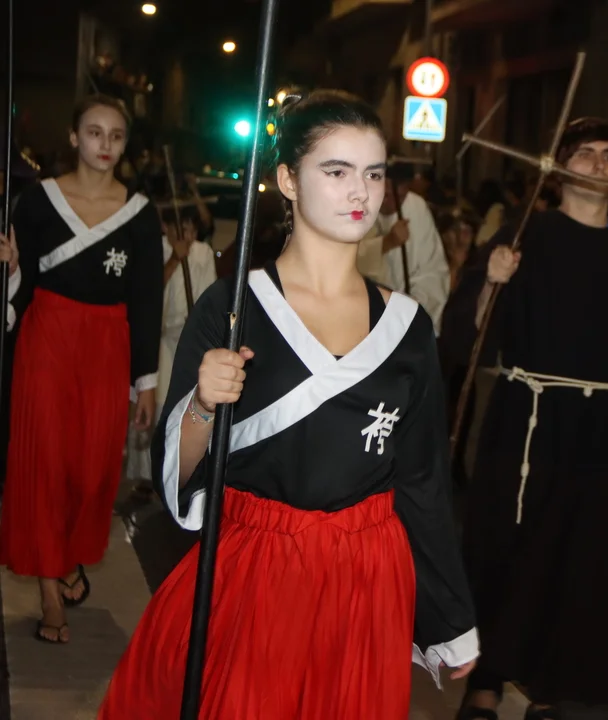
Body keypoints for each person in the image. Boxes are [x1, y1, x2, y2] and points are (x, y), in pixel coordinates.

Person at [97, 90, 477, 718]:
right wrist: (203, 403)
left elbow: (423, 480)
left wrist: (448, 614)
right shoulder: (232, 307)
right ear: (288, 181)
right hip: (257, 571)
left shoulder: (408, 327)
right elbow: (177, 474)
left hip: (368, 579)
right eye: (336, 171)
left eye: (373, 173)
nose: (360, 192)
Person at [443, 118, 608, 718]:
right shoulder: (525, 237)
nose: (600, 165)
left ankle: (555, 689)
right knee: (506, 547)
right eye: (586, 154)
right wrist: (490, 284)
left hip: (596, 426)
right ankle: (485, 681)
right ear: (559, 166)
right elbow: (466, 336)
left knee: (579, 559)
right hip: (525, 418)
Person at [0, 95, 164, 644]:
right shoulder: (37, 201)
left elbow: (146, 299)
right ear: (74, 138)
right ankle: (50, 592)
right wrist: (10, 268)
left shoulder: (140, 213)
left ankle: (66, 553)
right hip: (47, 337)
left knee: (93, 471)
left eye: (115, 135)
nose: (104, 144)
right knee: (45, 462)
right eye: (94, 133)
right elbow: (19, 287)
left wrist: (145, 380)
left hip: (108, 344)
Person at [126, 204, 218, 486]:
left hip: (186, 340)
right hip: (158, 341)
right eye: (181, 229)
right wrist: (175, 260)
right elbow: (147, 294)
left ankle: (175, 474)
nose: (187, 236)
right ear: (166, 227)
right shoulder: (155, 249)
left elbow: (207, 295)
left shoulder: (202, 253)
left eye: (191, 229)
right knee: (153, 406)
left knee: (180, 408)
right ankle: (144, 477)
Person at [356, 162, 450, 330]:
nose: (391, 200)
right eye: (385, 193)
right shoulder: (357, 205)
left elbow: (433, 271)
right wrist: (386, 243)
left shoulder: (416, 208)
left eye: (400, 192)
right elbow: (343, 260)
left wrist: (411, 305)